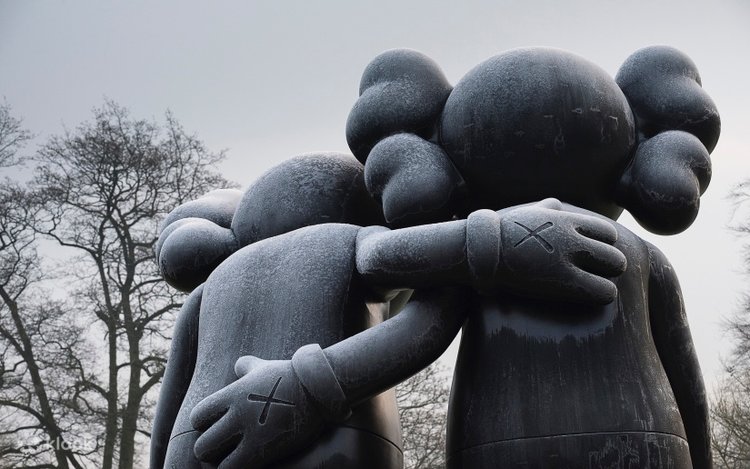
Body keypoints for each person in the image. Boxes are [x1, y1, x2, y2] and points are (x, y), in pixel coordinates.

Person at [191, 46, 719, 468]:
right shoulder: (640, 256)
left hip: (493, 443)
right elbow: (687, 382)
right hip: (647, 440)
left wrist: (305, 387)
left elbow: (403, 294)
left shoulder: (469, 266)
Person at [151, 152, 621, 468]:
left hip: (197, 439)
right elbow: (422, 321)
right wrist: (502, 239)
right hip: (325, 433)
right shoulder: (350, 239)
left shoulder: (208, 289)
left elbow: (168, 409)